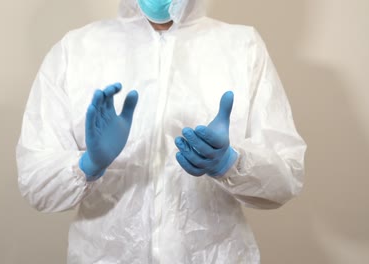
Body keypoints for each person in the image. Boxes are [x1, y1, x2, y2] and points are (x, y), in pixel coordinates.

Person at [16, 0, 307, 263]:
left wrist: (231, 164)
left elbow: (286, 177)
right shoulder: (78, 49)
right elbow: (36, 184)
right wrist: (88, 164)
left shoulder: (241, 47)